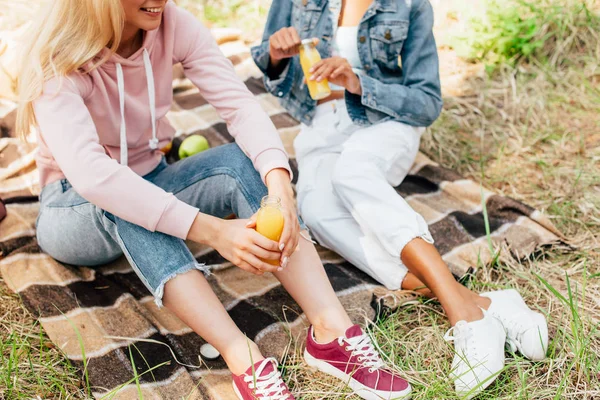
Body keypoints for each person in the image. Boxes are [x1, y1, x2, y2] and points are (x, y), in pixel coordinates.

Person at [16, 1, 414, 399]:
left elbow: (239, 105)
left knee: (241, 161)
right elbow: (95, 177)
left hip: (152, 175)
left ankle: (332, 332)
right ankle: (244, 359)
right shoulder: (56, 58)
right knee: (123, 198)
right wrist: (215, 232)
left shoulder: (171, 23)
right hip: (71, 208)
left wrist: (279, 186)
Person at [252, 0, 549, 397]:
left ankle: (465, 319)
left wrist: (358, 82)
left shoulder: (409, 5)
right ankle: (483, 304)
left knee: (352, 173)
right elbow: (265, 61)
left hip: (385, 123)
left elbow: (427, 101)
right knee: (317, 212)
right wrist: (274, 54)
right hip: (321, 126)